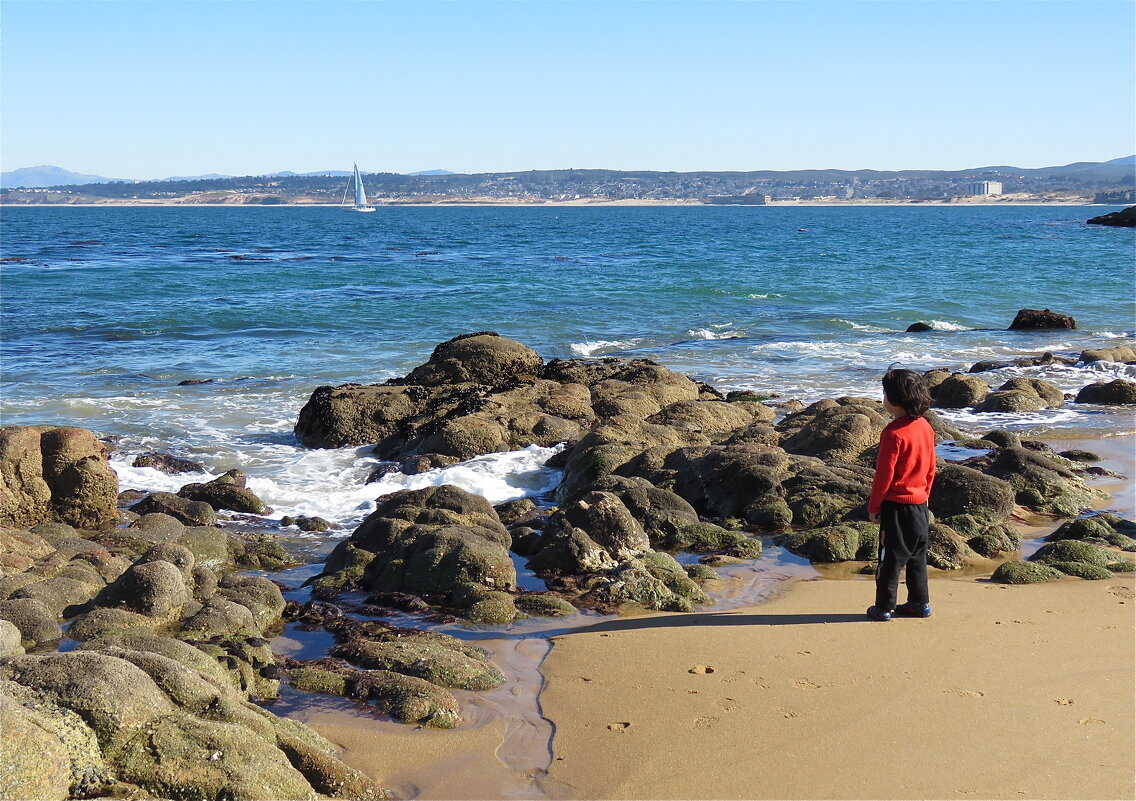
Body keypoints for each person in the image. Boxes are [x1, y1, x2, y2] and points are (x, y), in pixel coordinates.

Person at [866, 367, 937, 621]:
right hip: (920, 504)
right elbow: (930, 467)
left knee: (890, 560)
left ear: (894, 401)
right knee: (918, 557)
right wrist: (926, 494)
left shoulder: (893, 433)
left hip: (896, 506)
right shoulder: (925, 427)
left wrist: (875, 507)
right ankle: (920, 603)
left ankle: (884, 607)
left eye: (884, 394)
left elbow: (884, 476)